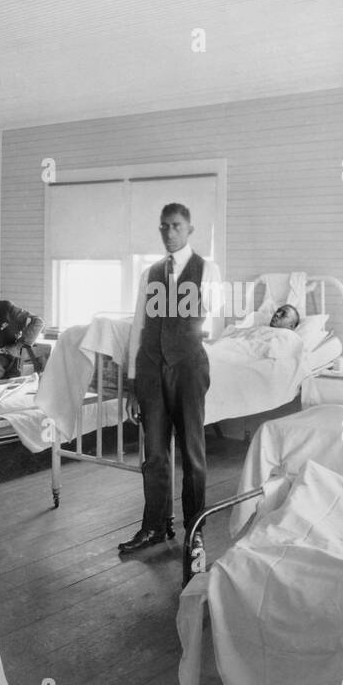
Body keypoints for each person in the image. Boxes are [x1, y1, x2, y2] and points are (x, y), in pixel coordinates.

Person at [120, 204, 222, 555]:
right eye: (163, 227)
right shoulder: (149, 273)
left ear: (190, 229)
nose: (169, 233)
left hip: (188, 369)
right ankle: (154, 526)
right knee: (155, 454)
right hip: (150, 369)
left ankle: (195, 530)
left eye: (176, 226)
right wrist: (133, 382)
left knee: (193, 453)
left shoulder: (207, 270)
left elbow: (213, 324)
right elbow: (138, 327)